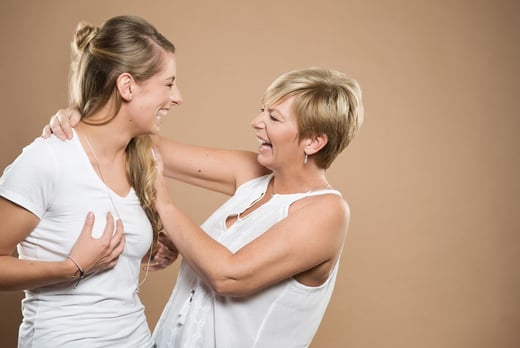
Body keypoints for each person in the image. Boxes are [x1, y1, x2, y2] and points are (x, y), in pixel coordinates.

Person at [45, 67, 363, 347]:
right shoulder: (254, 173)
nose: (256, 123)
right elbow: (145, 145)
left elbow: (228, 276)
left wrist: (163, 204)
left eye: (274, 118)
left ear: (313, 142)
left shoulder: (327, 212)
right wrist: (87, 117)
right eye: (262, 110)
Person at [0, 15, 181, 347]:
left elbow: (105, 264)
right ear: (127, 86)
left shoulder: (139, 159)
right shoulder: (48, 159)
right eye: (168, 84)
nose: (177, 97)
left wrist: (143, 251)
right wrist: (70, 267)